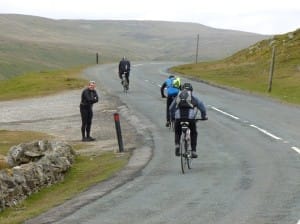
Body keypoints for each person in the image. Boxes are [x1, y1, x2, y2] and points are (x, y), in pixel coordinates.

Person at [169, 82, 207, 158]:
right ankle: (193, 151)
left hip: (179, 118)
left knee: (177, 131)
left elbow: (171, 108)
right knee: (193, 133)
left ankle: (177, 144)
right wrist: (203, 116)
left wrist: (173, 117)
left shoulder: (178, 97)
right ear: (191, 91)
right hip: (190, 119)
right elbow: (202, 108)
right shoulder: (193, 98)